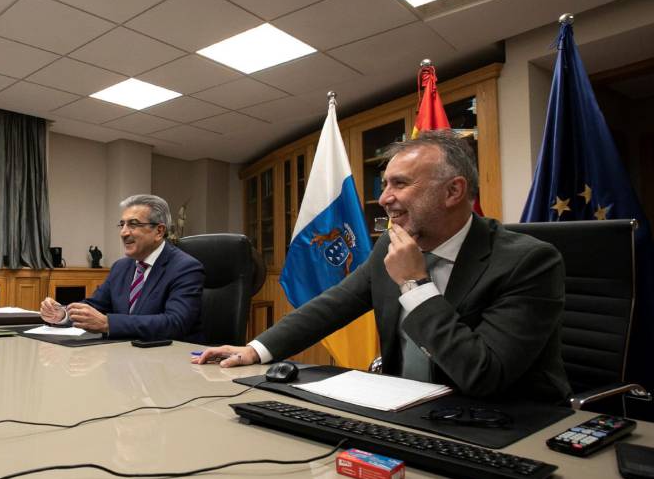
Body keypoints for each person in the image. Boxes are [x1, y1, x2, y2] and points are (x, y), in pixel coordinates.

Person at [192, 131, 571, 403]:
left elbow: (484, 375)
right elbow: (334, 304)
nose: (383, 198)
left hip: (505, 423)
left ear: (453, 192)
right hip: (405, 410)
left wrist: (415, 284)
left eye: (400, 184)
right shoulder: (389, 246)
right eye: (385, 184)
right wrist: (256, 350)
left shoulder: (529, 261)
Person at [40, 194, 204, 341]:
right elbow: (95, 305)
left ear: (159, 231)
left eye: (133, 224)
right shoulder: (121, 267)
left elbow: (175, 323)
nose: (124, 233)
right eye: (122, 224)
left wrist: (108, 323)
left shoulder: (185, 268)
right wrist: (63, 314)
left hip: (168, 362)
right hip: (123, 357)